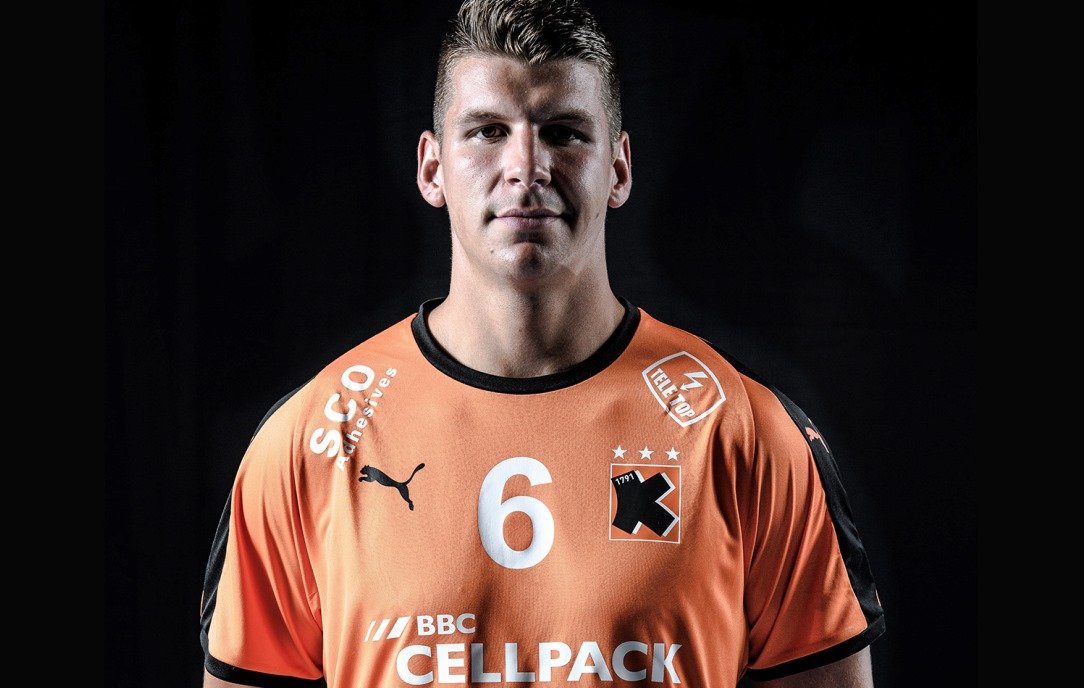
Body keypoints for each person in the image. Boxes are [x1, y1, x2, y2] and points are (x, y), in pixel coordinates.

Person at [199, 0, 886, 686]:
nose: (526, 166)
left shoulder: (742, 431)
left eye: (563, 133)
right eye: (488, 131)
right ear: (432, 169)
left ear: (618, 169)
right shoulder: (314, 440)